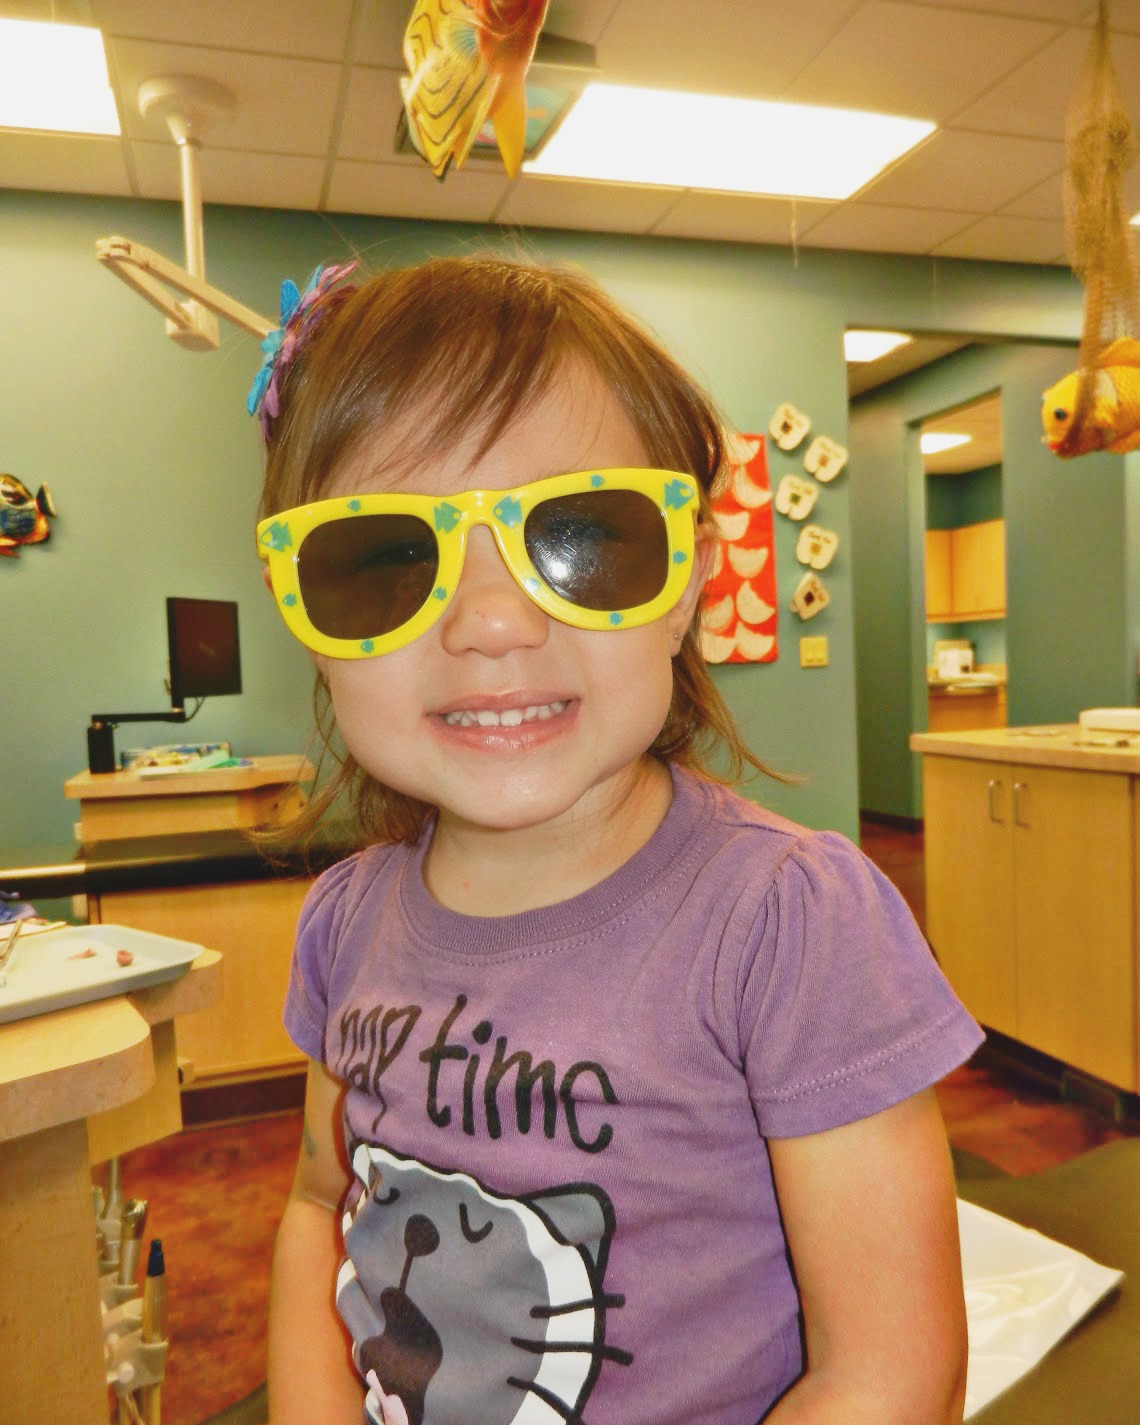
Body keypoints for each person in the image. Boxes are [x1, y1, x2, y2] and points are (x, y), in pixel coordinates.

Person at [254, 254, 983, 1425]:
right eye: (387, 557)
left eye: (582, 539)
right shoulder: (343, 923)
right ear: (306, 612)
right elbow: (315, 1206)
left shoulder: (788, 922)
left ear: (688, 586)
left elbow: (890, 1372)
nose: (492, 622)